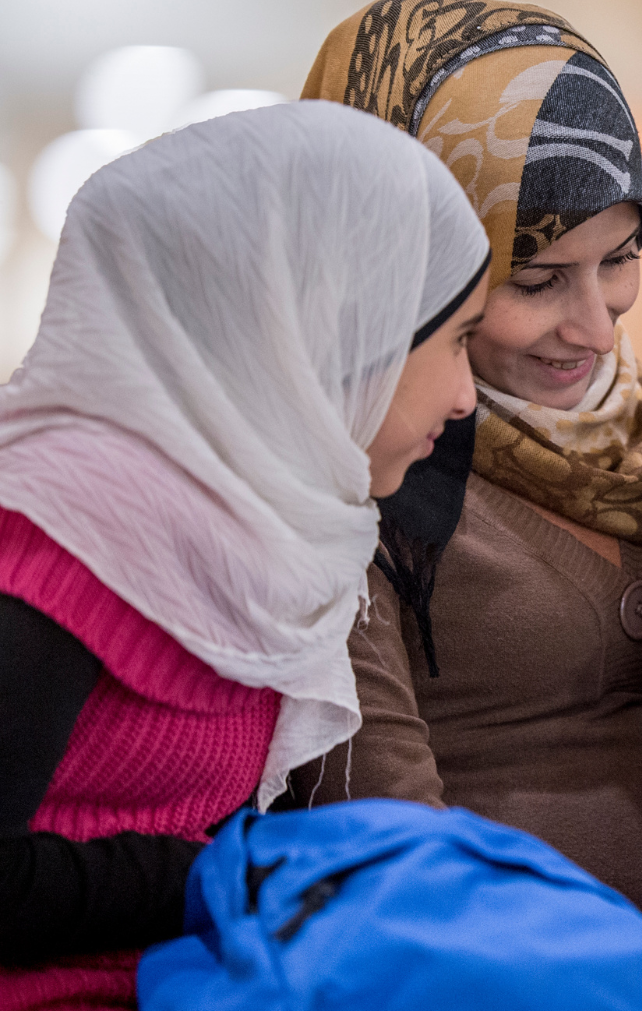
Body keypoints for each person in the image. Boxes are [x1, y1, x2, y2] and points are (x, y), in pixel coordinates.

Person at [0, 100, 491, 1008]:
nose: (467, 397)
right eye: (457, 340)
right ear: (342, 327)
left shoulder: (267, 523)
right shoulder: (59, 516)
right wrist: (220, 881)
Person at [292, 0, 642, 960]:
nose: (597, 327)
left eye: (619, 259)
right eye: (534, 281)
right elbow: (389, 866)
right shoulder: (355, 478)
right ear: (400, 262)